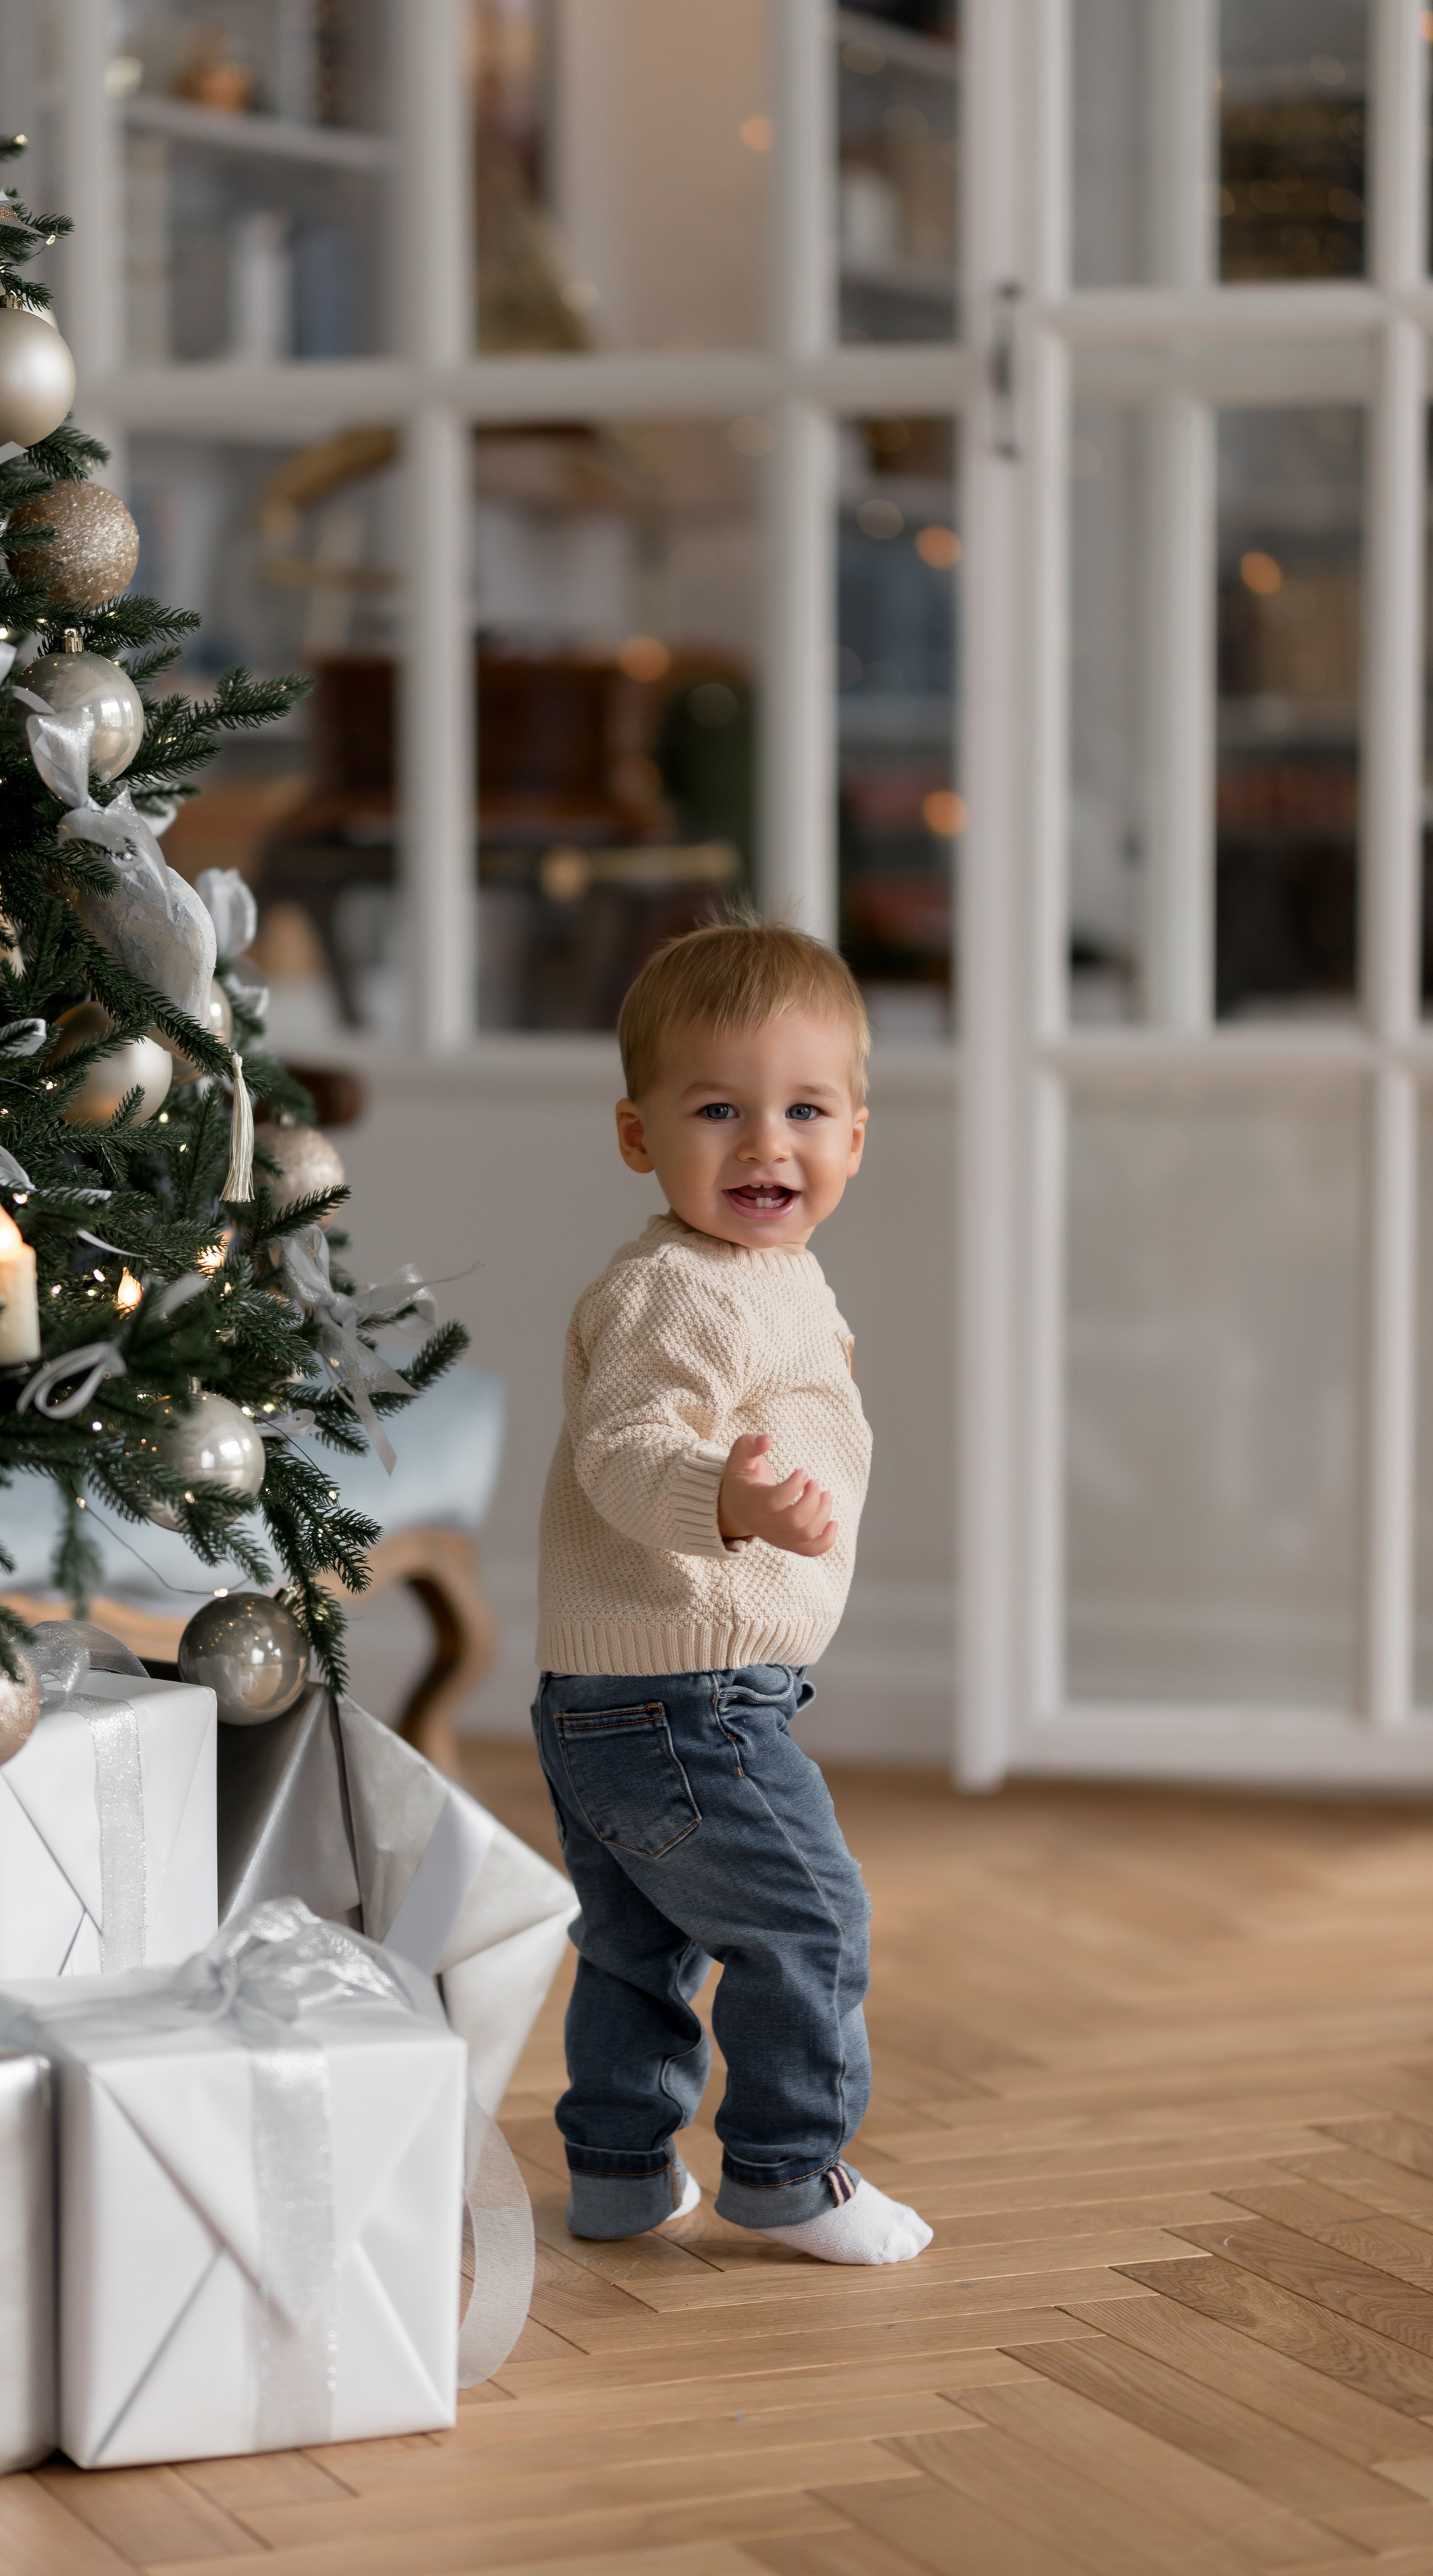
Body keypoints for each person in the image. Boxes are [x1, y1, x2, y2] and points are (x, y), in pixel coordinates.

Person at [532, 916, 932, 2264]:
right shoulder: (678, 1289)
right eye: (719, 1110)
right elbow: (624, 1448)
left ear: (855, 1140)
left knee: (640, 1946)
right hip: (685, 1697)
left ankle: (619, 2172)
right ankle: (785, 2171)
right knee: (810, 1920)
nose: (767, 1144)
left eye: (803, 1111)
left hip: (625, 1691)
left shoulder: (772, 1277)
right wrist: (729, 1496)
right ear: (638, 1135)